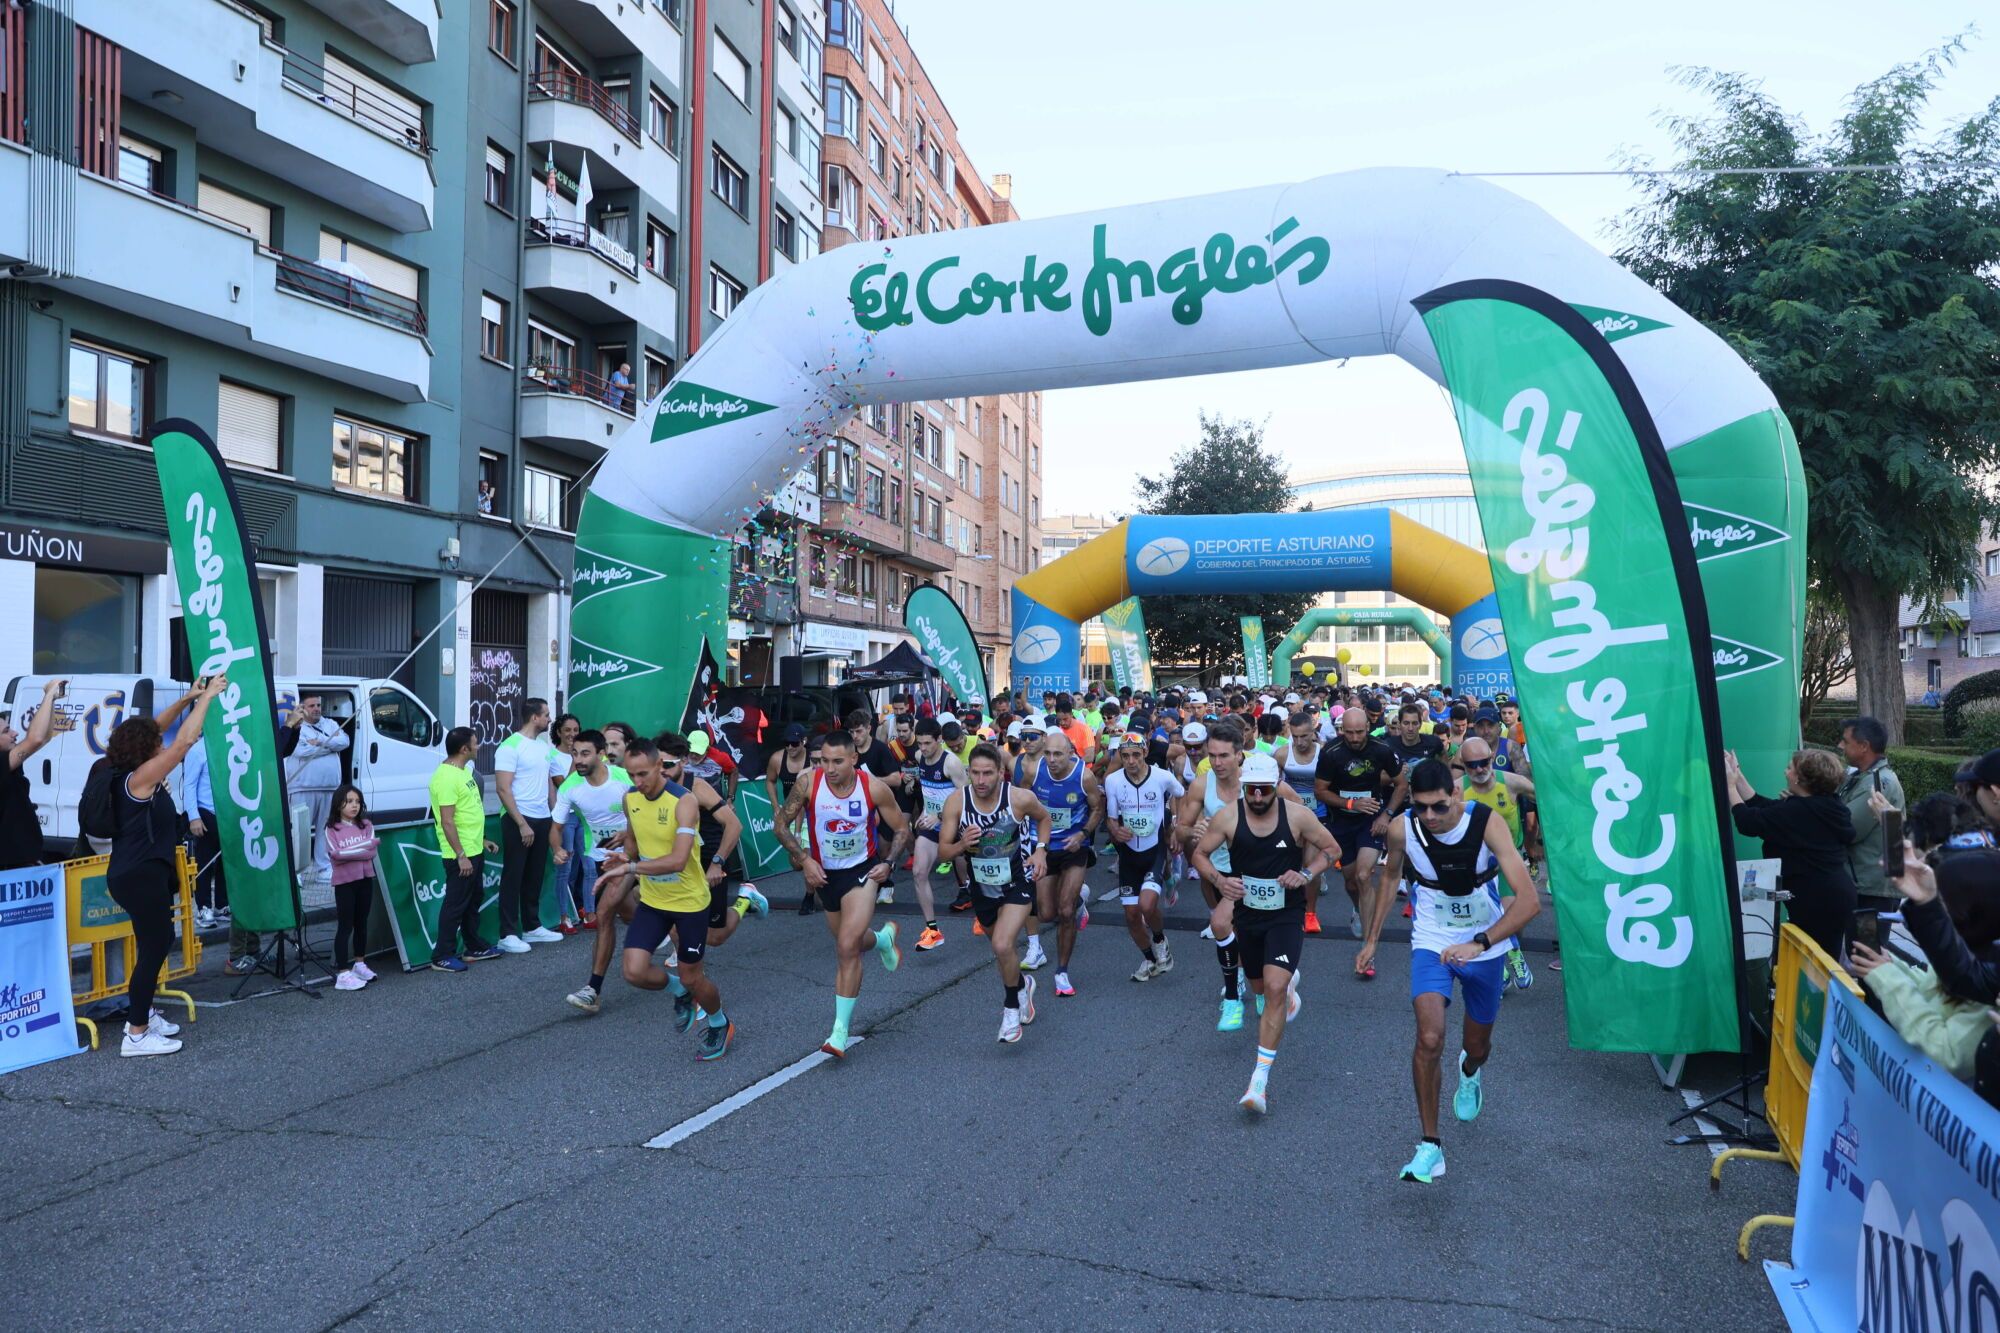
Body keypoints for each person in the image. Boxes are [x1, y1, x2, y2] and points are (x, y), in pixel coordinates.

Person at [1366, 759, 1540, 1182]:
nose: (1430, 816)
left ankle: (1470, 1070)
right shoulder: (1402, 829)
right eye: (1421, 807)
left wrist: (1479, 942)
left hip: (1484, 945)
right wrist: (1371, 939)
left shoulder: (1488, 823)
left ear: (1457, 795)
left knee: (1477, 1046)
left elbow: (1530, 900)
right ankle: (1430, 1146)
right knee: (1428, 1037)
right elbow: (1390, 878)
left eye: (1439, 807)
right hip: (1431, 939)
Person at [1192, 752, 1339, 1114]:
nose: (1257, 797)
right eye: (1251, 790)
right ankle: (1288, 986)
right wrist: (1219, 880)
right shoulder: (1229, 817)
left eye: (1264, 790)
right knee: (1260, 986)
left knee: (1271, 990)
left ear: (1275, 786)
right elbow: (1200, 854)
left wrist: (1305, 875)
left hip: (1286, 915)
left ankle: (1259, 1082)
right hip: (1248, 914)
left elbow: (1333, 849)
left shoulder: (1297, 816)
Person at [104, 674, 228, 1056]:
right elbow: (184, 743)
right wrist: (208, 698)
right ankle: (136, 1033)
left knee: (152, 946)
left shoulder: (122, 767)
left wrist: (188, 697)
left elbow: (151, 729)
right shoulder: (139, 779)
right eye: (155, 742)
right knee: (156, 946)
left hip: (141, 872)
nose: (161, 742)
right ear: (146, 750)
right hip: (138, 875)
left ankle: (145, 1013)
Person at [772, 730, 912, 1058]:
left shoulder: (872, 788)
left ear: (853, 759)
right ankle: (881, 940)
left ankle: (839, 1031)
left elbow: (902, 829)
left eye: (837, 761)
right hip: (824, 875)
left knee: (846, 947)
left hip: (862, 873)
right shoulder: (809, 784)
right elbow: (780, 824)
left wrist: (889, 864)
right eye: (823, 761)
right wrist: (804, 859)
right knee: (852, 941)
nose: (829, 768)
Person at [598, 738, 735, 1060]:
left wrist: (630, 867)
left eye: (643, 774)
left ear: (660, 766)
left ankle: (719, 1022)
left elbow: (677, 860)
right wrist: (621, 857)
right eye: (632, 775)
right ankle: (679, 994)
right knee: (633, 971)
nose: (638, 782)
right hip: (655, 900)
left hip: (689, 903)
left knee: (693, 977)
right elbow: (634, 845)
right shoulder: (630, 797)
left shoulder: (683, 801)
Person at [937, 744, 1053, 1042]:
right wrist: (962, 845)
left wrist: (1040, 852)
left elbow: (1044, 819)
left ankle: (1011, 1012)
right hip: (982, 888)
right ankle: (1023, 985)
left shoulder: (1018, 798)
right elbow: (942, 852)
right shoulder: (956, 803)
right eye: (975, 773)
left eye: (987, 773)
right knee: (1002, 952)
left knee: (1003, 945)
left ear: (1000, 774)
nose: (981, 780)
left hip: (1018, 880)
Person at [1722, 747, 1857, 959]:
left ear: (1799, 780)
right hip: (1832, 895)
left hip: (1818, 901)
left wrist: (1729, 787)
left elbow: (1748, 822)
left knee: (1814, 969)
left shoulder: (1800, 812)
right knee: (1820, 963)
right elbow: (1764, 807)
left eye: (1790, 769)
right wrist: (1737, 775)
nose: (1786, 772)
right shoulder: (1826, 806)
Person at [1315, 706, 1406, 960]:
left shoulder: (1382, 749)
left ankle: (1368, 946)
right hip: (1341, 822)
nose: (1354, 738)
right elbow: (1320, 791)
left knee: (1365, 875)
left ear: (1368, 727)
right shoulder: (1331, 752)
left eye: (1359, 732)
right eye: (1349, 732)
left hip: (1371, 821)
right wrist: (1350, 804)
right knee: (1351, 880)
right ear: (1341, 729)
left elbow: (1401, 784)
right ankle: (1357, 908)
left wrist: (1386, 814)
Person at [556, 731, 635, 1013]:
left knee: (602, 915)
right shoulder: (570, 787)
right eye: (574, 753)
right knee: (628, 914)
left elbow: (649, 810)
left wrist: (628, 833)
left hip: (636, 857)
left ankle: (592, 990)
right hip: (601, 859)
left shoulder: (624, 779)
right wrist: (557, 849)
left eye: (585, 753)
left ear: (601, 753)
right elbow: (556, 826)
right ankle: (661, 927)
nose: (578, 759)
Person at [1455, 738, 1539, 991]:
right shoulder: (1457, 789)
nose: (1479, 769)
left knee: (1511, 913)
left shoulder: (1510, 781)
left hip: (1506, 859)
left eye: (1483, 763)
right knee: (1484, 918)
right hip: (1473, 865)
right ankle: (1502, 963)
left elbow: (1548, 799)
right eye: (1472, 766)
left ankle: (1509, 953)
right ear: (1464, 766)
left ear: (1492, 759)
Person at [1025, 730, 1104, 996]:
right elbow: (1019, 802)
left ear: (1071, 753)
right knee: (1047, 913)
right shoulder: (1035, 772)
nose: (1052, 759)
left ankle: (1061, 973)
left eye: (1058, 754)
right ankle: (1081, 899)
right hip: (1044, 848)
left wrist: (1083, 834)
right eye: (1047, 753)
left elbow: (1097, 808)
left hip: (1074, 848)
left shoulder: (1085, 776)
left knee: (1066, 911)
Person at [1103, 732, 1182, 981]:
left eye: (1136, 755)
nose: (1131, 761)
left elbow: (1182, 794)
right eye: (1125, 756)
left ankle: (1159, 939)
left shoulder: (1162, 777)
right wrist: (1115, 829)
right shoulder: (1113, 781)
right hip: (1128, 854)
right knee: (1131, 915)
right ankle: (1149, 959)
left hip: (1154, 850)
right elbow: (1111, 819)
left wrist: (1176, 826)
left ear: (1145, 753)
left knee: (1147, 906)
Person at [493, 698, 564, 952]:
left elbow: (548, 783)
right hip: (518, 819)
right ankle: (508, 933)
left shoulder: (543, 746)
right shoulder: (509, 747)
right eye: (546, 715)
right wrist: (522, 823)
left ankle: (532, 927)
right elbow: (502, 788)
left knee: (535, 875)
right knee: (514, 875)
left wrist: (554, 814)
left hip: (542, 817)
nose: (549, 719)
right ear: (534, 717)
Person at [428, 727, 501, 972]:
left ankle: (474, 945)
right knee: (455, 904)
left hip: (473, 849)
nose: (479, 746)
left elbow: (466, 815)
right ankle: (442, 955)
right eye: (475, 743)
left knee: (472, 901)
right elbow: (447, 821)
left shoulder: (462, 772)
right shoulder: (446, 778)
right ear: (464, 749)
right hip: (459, 855)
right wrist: (461, 855)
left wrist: (481, 842)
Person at [907, 717, 968, 950]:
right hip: (932, 826)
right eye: (920, 743)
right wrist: (925, 812)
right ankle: (932, 931)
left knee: (977, 879)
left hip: (955, 826)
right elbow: (929, 790)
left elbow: (966, 798)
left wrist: (941, 816)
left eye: (927, 743)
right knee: (918, 872)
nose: (922, 748)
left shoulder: (951, 763)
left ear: (939, 740)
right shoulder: (920, 757)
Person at [1836, 715, 1904, 909]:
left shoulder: (1877, 784)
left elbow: (1846, 828)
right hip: (1863, 883)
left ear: (1864, 746)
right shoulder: (1861, 778)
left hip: (1872, 888)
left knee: (1866, 941)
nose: (1840, 745)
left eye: (1846, 741)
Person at [283, 693, 349, 884]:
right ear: (302, 708)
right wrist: (331, 745)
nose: (316, 708)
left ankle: (323, 869)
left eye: (318, 705)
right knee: (300, 831)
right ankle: (296, 872)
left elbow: (344, 741)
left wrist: (320, 743)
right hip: (302, 786)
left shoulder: (330, 725)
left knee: (325, 830)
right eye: (311, 705)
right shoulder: (298, 728)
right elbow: (300, 751)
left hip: (329, 787)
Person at [0, 678, 64, 870]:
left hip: (22, 862)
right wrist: (48, 694)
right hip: (8, 868)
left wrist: (51, 701)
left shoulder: (9, 763)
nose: (14, 733)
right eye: (5, 731)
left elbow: (43, 738)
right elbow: (34, 739)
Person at [847, 707, 909, 904]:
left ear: (869, 729)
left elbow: (896, 780)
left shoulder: (880, 749)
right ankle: (864, 883)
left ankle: (887, 882)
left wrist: (872, 781)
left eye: (859, 731)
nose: (855, 736)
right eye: (852, 732)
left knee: (883, 847)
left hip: (885, 803)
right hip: (860, 806)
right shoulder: (850, 752)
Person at [324, 783, 381, 991]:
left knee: (361, 923)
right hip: (344, 884)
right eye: (349, 801)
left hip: (365, 879)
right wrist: (362, 848)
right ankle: (342, 973)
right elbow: (335, 855)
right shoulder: (332, 829)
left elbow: (371, 852)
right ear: (339, 804)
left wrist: (350, 852)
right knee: (345, 926)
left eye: (357, 801)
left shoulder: (366, 824)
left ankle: (359, 963)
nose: (354, 805)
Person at [1279, 709, 1330, 936]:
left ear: (1314, 733)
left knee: (1310, 866)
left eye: (1304, 736)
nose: (1299, 742)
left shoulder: (1324, 753)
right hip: (1291, 816)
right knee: (1289, 864)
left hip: (1317, 815)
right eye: (1295, 736)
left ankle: (1310, 913)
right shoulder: (1281, 754)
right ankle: (1288, 909)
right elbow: (1273, 785)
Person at [550, 713, 586, 934]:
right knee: (567, 867)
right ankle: (565, 915)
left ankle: (582, 910)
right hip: (564, 817)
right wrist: (575, 759)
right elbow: (565, 788)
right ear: (558, 733)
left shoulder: (585, 754)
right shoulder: (554, 756)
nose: (572, 734)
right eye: (568, 730)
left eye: (576, 730)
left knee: (586, 866)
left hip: (583, 815)